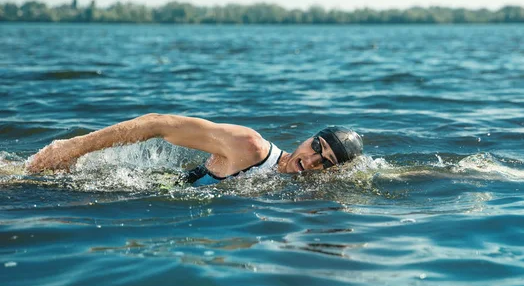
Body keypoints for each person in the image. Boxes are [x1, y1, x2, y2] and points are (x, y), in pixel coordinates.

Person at [26, 114, 363, 185]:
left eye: (327, 163)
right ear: (308, 138)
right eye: (317, 146)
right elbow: (157, 124)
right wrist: (73, 147)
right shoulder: (249, 147)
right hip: (137, 192)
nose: (313, 160)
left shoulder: (307, 192)